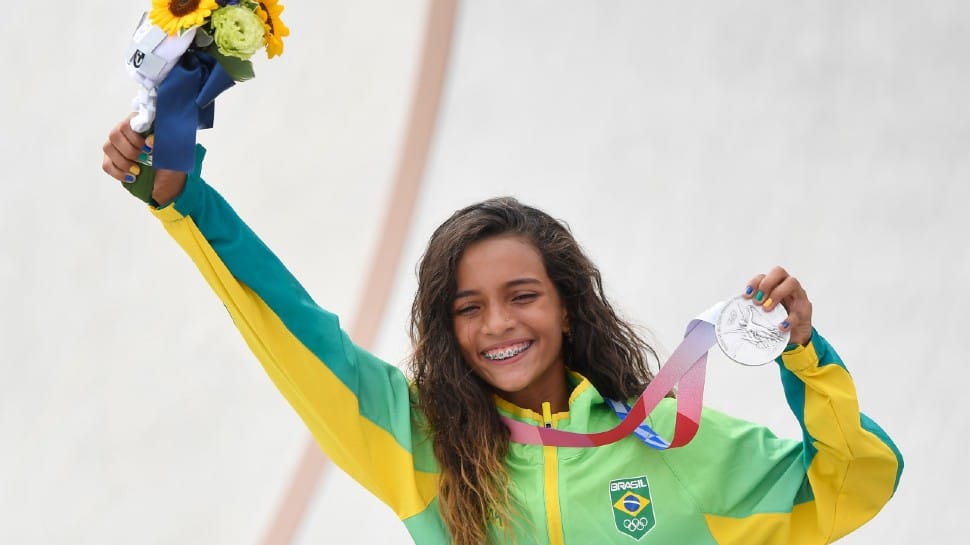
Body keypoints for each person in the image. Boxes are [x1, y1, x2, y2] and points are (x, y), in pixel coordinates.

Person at [102, 115, 903, 545]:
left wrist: (803, 357)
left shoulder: (672, 443)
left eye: (521, 294)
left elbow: (855, 480)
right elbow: (297, 331)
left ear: (565, 304)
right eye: (468, 306)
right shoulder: (419, 446)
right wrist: (185, 200)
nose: (497, 325)